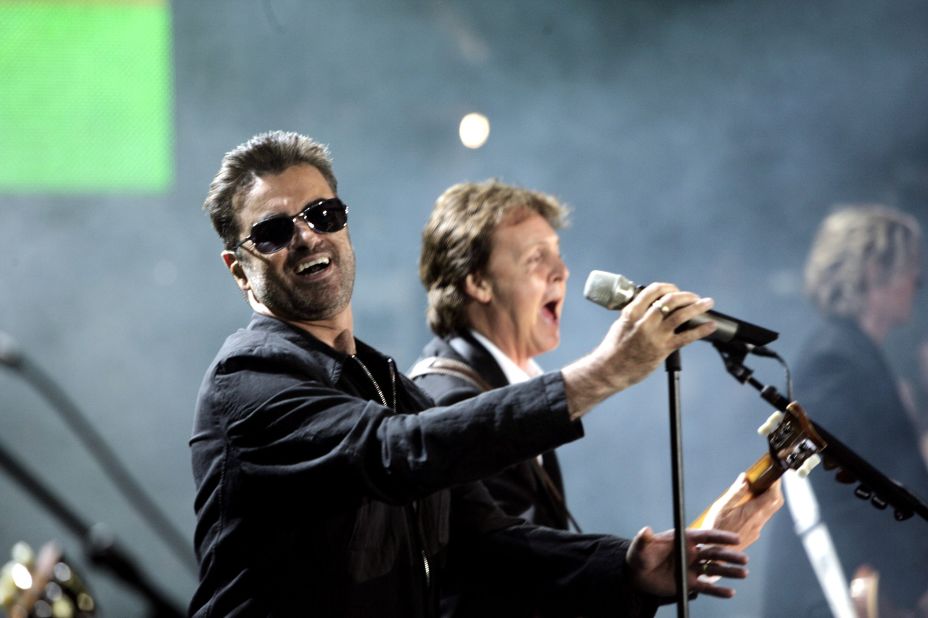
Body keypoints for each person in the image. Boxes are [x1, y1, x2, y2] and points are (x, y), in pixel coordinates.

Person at [190, 130, 756, 618]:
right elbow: (396, 451)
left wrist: (630, 568)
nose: (308, 235)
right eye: (272, 233)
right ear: (240, 270)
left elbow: (489, 540)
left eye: (322, 214)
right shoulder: (249, 376)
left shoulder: (387, 384)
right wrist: (603, 373)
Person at [412, 179, 783, 617]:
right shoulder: (450, 399)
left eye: (558, 254)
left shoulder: (497, 384)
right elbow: (502, 579)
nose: (562, 271)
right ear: (477, 282)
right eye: (536, 258)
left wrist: (699, 540)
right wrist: (633, 570)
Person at [763, 205, 928, 617]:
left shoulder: (853, 352)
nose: (917, 282)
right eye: (910, 268)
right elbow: (827, 481)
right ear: (875, 271)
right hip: (832, 593)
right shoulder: (835, 357)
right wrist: (906, 586)